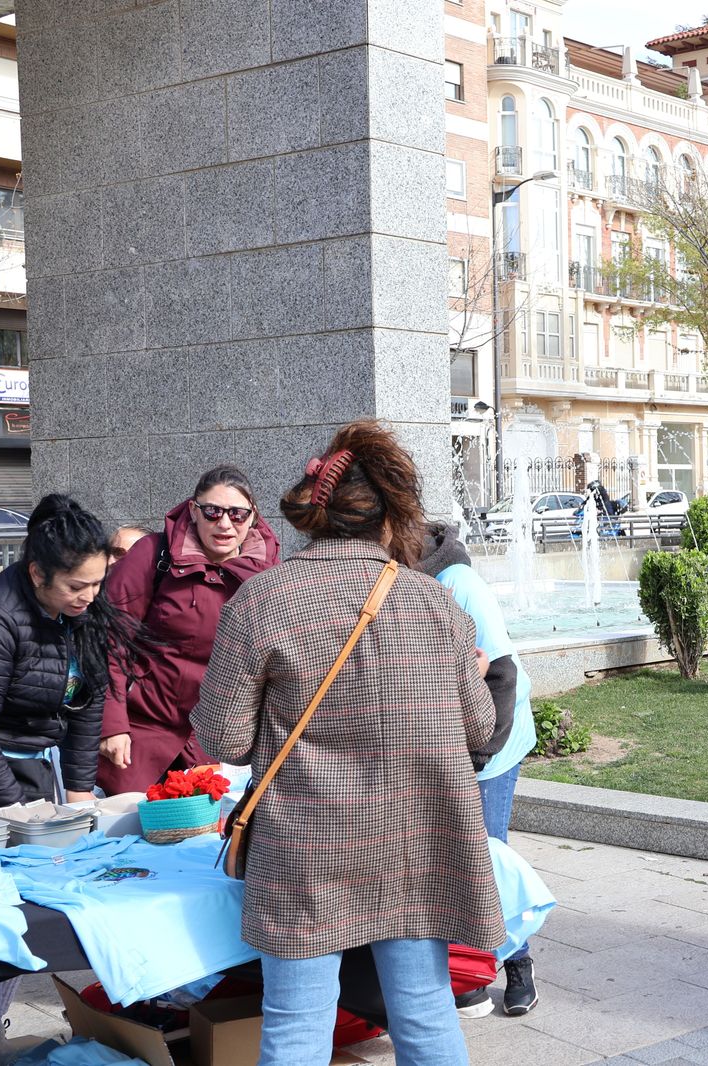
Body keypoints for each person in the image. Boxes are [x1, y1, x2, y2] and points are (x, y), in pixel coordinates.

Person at [192, 421, 501, 1066]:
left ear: (315, 512)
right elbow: (477, 732)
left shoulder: (261, 599)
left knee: (296, 1023)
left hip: (304, 847)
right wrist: (466, 679)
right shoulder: (431, 602)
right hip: (417, 840)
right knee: (423, 1011)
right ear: (388, 516)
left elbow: (223, 738)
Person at [416, 522, 542, 1017]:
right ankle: (467, 970)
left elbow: (502, 675)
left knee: (487, 857)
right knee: (448, 858)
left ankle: (517, 963)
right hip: (448, 745)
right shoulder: (399, 579)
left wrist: (476, 759)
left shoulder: (459, 585)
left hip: (492, 743)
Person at [97, 467, 280, 795]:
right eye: (213, 511)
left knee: (210, 842)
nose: (224, 524)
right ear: (194, 511)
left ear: (253, 518)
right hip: (140, 734)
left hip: (218, 742)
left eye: (237, 514)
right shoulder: (153, 554)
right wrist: (111, 724)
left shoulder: (268, 574)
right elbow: (110, 640)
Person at [0, 494, 131, 813]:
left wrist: (79, 787)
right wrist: (15, 809)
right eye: (75, 587)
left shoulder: (85, 610)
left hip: (46, 766)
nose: (89, 596)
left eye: (97, 583)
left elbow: (89, 702)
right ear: (37, 574)